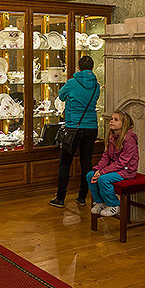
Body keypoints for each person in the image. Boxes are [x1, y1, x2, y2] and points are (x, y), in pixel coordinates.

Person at [49, 55, 100, 208]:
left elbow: (61, 96)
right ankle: (82, 197)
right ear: (92, 68)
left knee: (65, 163)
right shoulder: (96, 85)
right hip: (91, 127)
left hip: (73, 127)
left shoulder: (72, 83)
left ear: (78, 67)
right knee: (86, 163)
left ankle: (60, 198)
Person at [87, 110, 139, 217]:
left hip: (126, 170)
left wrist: (102, 172)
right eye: (111, 119)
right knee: (90, 175)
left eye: (116, 120)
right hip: (114, 168)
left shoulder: (129, 139)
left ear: (123, 124)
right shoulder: (112, 136)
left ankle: (114, 204)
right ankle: (100, 202)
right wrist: (98, 169)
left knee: (103, 179)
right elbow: (106, 156)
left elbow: (121, 163)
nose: (111, 121)